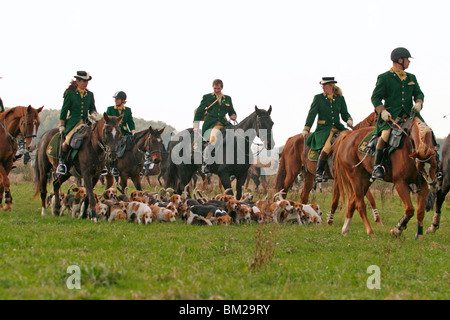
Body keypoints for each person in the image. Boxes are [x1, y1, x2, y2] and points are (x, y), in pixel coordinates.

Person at [370, 47, 429, 180]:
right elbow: (375, 97)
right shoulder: (384, 77)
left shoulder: (411, 77)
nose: (409, 62)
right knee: (385, 136)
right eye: (407, 59)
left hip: (410, 115)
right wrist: (382, 111)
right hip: (391, 116)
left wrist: (419, 102)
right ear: (400, 60)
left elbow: (418, 93)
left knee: (427, 131)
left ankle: (433, 163)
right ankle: (377, 166)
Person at [302, 77, 353, 183]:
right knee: (327, 146)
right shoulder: (318, 98)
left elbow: (344, 113)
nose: (323, 88)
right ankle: (319, 173)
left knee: (350, 140)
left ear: (331, 86)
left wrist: (348, 119)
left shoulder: (339, 98)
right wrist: (306, 128)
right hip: (324, 130)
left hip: (338, 128)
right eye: (322, 86)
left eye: (325, 86)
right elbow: (312, 114)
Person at [56, 71, 102, 175]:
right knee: (67, 141)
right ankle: (62, 163)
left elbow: (92, 109)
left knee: (96, 139)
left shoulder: (90, 95)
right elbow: (64, 110)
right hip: (73, 124)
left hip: (86, 123)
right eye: (83, 81)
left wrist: (95, 115)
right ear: (77, 81)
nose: (85, 83)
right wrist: (62, 125)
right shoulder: (70, 93)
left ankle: (99, 164)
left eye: (87, 81)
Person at [193, 79, 237, 174]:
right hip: (211, 124)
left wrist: (233, 115)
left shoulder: (228, 98)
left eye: (218, 88)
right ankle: (206, 164)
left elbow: (231, 110)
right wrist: (196, 125)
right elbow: (200, 111)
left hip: (224, 123)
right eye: (215, 88)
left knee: (236, 136)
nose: (216, 90)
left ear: (222, 88)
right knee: (213, 139)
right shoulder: (207, 97)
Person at [105, 91, 136, 176]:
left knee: (134, 144)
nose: (115, 100)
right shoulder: (110, 109)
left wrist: (133, 131)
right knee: (114, 147)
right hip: (113, 134)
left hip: (124, 132)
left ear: (123, 100)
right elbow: (106, 121)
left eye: (117, 99)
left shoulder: (128, 110)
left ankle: (137, 166)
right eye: (115, 99)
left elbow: (130, 121)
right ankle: (113, 167)